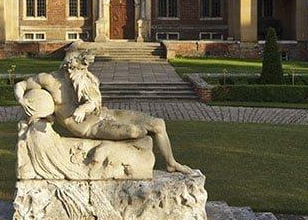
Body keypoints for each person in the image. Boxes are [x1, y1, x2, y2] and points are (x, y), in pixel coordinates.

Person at [13, 49, 195, 174]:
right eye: (80, 68)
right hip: (89, 127)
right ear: (69, 67)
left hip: (104, 113)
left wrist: (86, 107)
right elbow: (21, 85)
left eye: (85, 69)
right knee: (137, 131)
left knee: (158, 124)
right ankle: (119, 153)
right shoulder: (49, 80)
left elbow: (94, 101)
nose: (83, 72)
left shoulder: (84, 79)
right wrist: (22, 100)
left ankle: (171, 163)